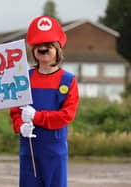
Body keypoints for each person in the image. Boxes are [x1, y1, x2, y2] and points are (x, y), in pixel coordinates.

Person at [10, 16, 79, 187]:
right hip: (29, 148)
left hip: (55, 150)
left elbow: (66, 115)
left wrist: (37, 116)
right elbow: (14, 110)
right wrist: (20, 126)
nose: (42, 49)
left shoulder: (68, 80)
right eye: (38, 46)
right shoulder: (24, 78)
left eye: (47, 46)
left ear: (57, 49)